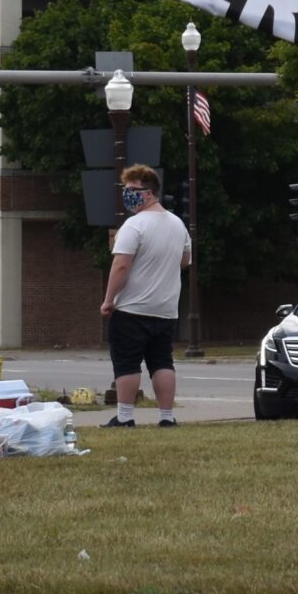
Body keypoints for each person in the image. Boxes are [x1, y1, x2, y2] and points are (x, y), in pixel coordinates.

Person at [100, 164, 190, 427]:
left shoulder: (134, 225)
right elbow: (184, 261)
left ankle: (125, 416)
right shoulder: (178, 224)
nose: (127, 194)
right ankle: (166, 417)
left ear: (149, 193)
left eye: (132, 190)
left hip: (131, 308)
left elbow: (121, 265)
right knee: (162, 361)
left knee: (127, 362)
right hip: (165, 309)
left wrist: (108, 300)